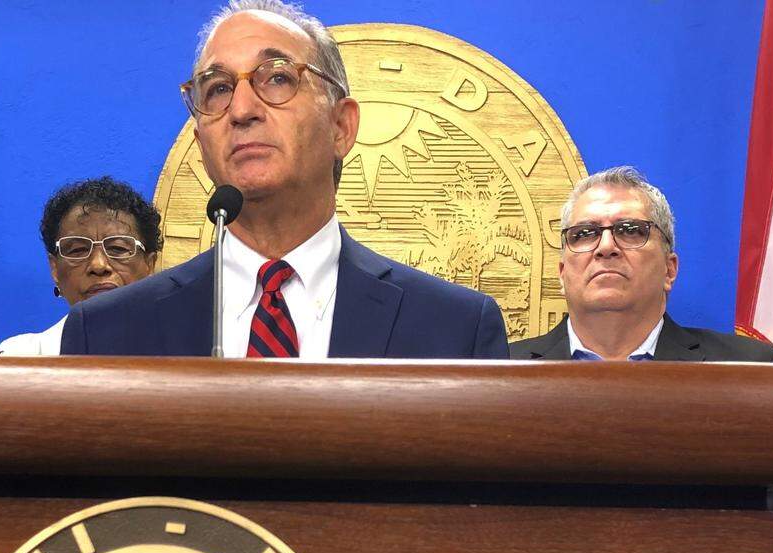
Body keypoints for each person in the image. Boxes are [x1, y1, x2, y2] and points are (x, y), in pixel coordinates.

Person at [60, 0, 507, 358]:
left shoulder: (454, 329)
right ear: (201, 143)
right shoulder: (106, 333)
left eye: (276, 78)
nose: (241, 110)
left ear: (341, 126)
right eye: (217, 88)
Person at [509, 166, 773, 553]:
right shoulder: (498, 374)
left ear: (670, 268)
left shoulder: (748, 371)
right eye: (584, 234)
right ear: (563, 268)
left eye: (630, 230)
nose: (606, 246)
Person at [0, 177, 161, 355]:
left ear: (149, 265)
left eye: (118, 248)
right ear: (55, 269)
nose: (98, 265)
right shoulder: (19, 358)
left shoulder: (184, 355)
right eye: (78, 250)